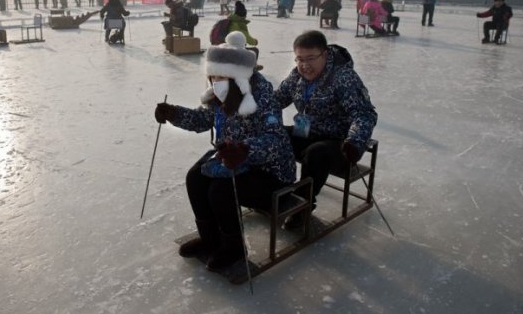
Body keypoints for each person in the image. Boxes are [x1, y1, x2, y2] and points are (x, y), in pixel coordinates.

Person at [154, 31, 296, 270]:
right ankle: (211, 240)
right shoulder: (220, 94)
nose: (215, 82)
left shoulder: (262, 95)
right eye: (213, 76)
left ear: (238, 77)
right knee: (195, 178)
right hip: (233, 159)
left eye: (221, 77)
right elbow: (202, 120)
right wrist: (174, 114)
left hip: (270, 172)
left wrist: (244, 149)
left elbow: (275, 140)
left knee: (220, 190)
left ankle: (234, 249)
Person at [274, 30, 377, 225]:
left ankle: (303, 206)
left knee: (316, 153)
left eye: (311, 58)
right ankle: (276, 190)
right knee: (274, 136)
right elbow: (277, 98)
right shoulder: (297, 75)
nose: (304, 65)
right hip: (306, 131)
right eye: (299, 59)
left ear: (325, 54)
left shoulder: (343, 77)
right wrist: (247, 105)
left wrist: (355, 141)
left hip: (338, 143)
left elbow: (364, 113)